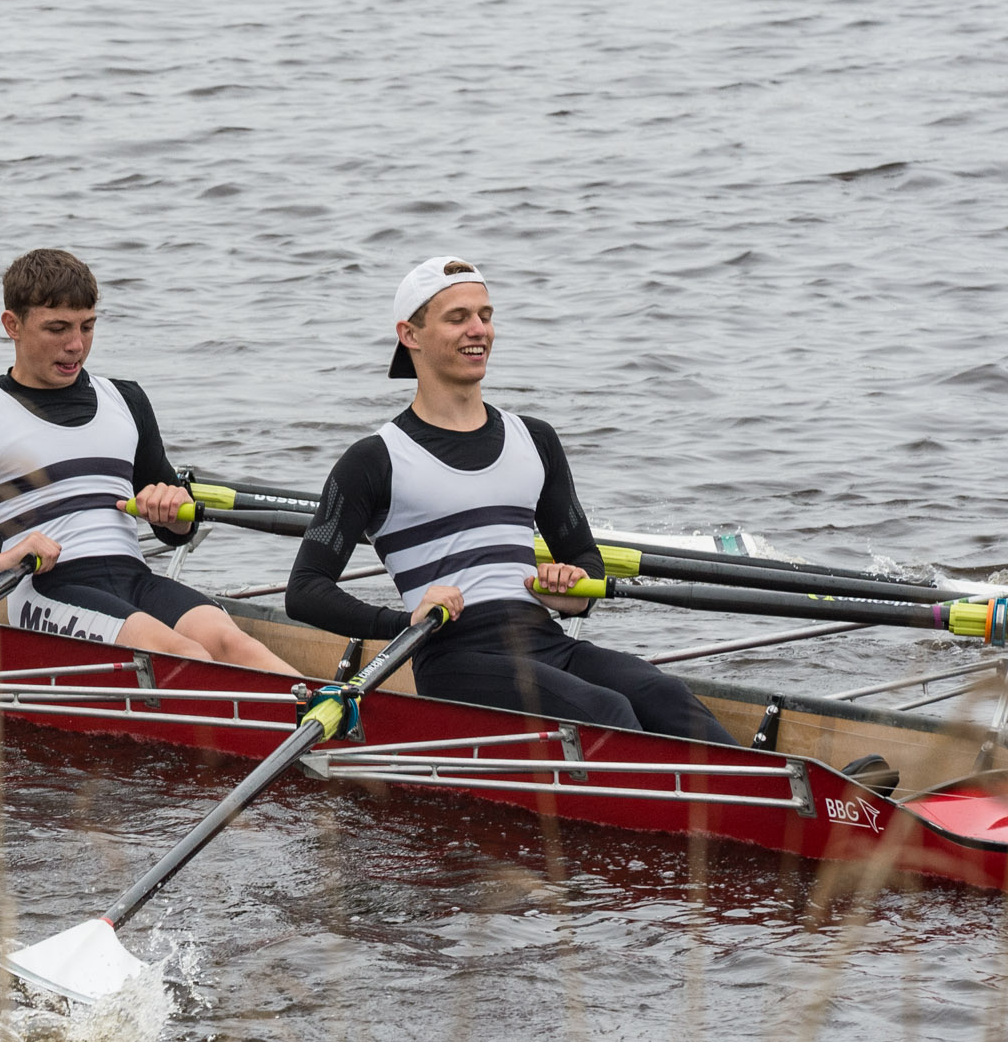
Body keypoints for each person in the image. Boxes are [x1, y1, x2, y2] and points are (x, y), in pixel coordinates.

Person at [285, 256, 736, 745]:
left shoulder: (535, 439)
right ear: (410, 335)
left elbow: (586, 558)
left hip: (545, 639)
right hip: (455, 656)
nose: (479, 330)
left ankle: (752, 804)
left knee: (666, 695)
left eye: (486, 315)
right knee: (606, 711)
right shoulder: (374, 459)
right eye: (457, 318)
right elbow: (305, 590)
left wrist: (573, 592)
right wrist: (402, 622)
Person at [0, 249, 284, 667]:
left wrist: (173, 516)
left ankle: (334, 728)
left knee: (234, 647)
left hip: (135, 578)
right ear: (13, 324)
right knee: (185, 655)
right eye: (57, 328)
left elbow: (176, 531)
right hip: (46, 588)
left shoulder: (126, 399)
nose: (76, 345)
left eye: (87, 326)